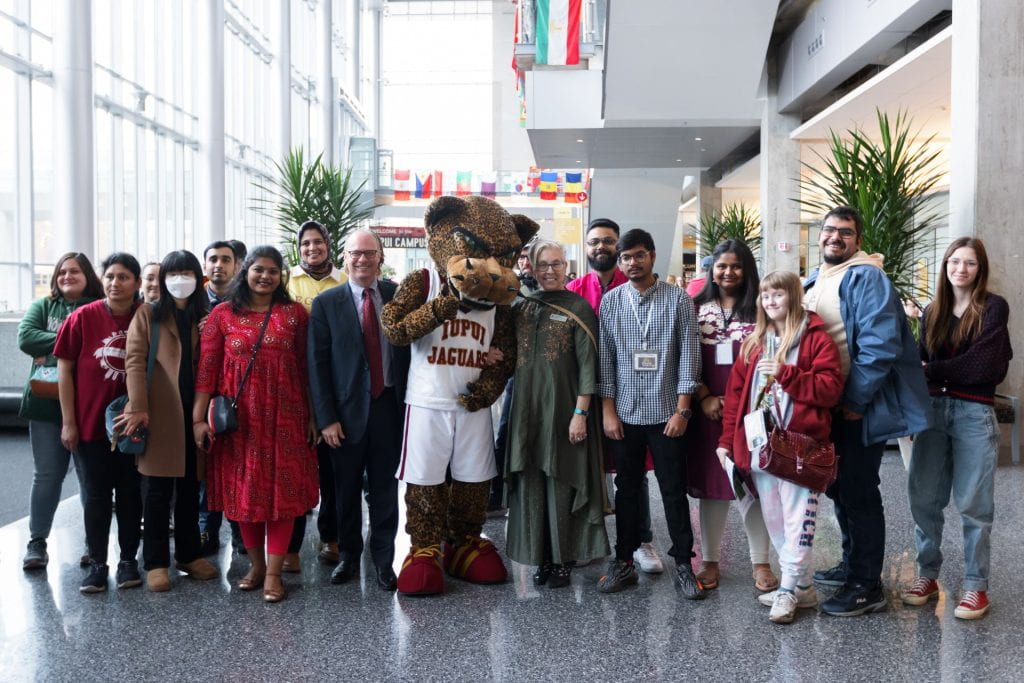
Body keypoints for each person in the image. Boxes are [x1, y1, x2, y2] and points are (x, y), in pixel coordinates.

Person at [802, 205, 929, 616]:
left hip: (856, 406)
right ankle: (852, 563)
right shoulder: (816, 278)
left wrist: (855, 402)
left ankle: (866, 585)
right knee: (839, 487)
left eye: (845, 232)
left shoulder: (867, 276)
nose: (835, 237)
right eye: (829, 230)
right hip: (827, 405)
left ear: (858, 240)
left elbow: (879, 344)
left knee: (858, 490)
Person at [192, 246, 319, 603]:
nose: (265, 276)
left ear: (281, 277)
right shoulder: (222, 315)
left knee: (282, 495)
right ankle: (257, 566)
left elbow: (307, 369)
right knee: (244, 495)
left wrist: (313, 416)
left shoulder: (295, 315)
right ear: (245, 271)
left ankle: (275, 574)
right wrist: (198, 419)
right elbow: (207, 370)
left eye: (273, 271)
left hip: (286, 417)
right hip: (239, 423)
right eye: (258, 269)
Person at [717, 271, 843, 623]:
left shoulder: (816, 338)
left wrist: (787, 373)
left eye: (778, 294)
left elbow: (830, 389)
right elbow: (735, 398)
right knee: (775, 520)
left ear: (793, 296)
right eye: (766, 295)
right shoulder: (754, 342)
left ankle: (787, 590)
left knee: (799, 519)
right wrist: (726, 442)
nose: (771, 301)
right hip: (761, 447)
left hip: (802, 448)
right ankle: (802, 587)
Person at [902, 237, 1012, 620]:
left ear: (980, 269)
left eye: (969, 263)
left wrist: (932, 371)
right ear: (945, 265)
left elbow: (984, 366)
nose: (960, 269)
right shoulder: (932, 311)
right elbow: (918, 361)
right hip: (932, 412)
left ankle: (975, 586)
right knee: (924, 498)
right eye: (954, 261)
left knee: (974, 503)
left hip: (974, 412)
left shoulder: (993, 308)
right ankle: (927, 575)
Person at [596, 228, 704, 598]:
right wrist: (608, 412)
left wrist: (682, 411)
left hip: (666, 413)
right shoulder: (611, 302)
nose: (632, 263)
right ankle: (623, 561)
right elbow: (605, 361)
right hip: (625, 413)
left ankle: (684, 565)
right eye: (626, 257)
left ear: (652, 256)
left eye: (639, 255)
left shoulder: (678, 299)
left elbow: (690, 356)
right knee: (626, 489)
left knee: (673, 489)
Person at [308, 229, 410, 591]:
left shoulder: (397, 296)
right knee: (345, 489)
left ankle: (383, 560)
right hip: (344, 414)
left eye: (369, 253)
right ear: (345, 257)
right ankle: (349, 556)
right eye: (355, 253)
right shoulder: (326, 303)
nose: (362, 259)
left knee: (385, 490)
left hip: (389, 408)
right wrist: (326, 419)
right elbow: (317, 365)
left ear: (380, 257)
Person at [505, 239, 609, 588]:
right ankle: (543, 557)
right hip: (527, 411)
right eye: (543, 264)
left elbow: (589, 366)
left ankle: (564, 559)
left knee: (563, 479)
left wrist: (581, 412)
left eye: (556, 264)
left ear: (567, 267)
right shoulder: (522, 307)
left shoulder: (579, 308)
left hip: (565, 409)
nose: (550, 271)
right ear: (531, 268)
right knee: (533, 480)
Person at [115, 250, 220, 592]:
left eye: (187, 273)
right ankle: (156, 562)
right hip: (159, 413)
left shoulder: (206, 315)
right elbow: (134, 361)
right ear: (163, 280)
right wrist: (137, 407)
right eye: (173, 274)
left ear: (198, 279)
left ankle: (188, 555)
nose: (180, 280)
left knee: (190, 488)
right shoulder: (148, 314)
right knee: (157, 492)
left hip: (196, 414)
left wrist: (210, 333)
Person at [568, 217, 662, 573]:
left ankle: (642, 540)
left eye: (608, 241)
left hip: (631, 393)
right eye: (594, 242)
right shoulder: (575, 289)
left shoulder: (636, 284)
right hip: (584, 394)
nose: (601, 247)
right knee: (586, 466)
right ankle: (589, 540)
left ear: (619, 246)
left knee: (633, 471)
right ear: (586, 247)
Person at [686, 240, 774, 592]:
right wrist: (704, 397)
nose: (728, 272)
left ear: (747, 269)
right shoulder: (694, 308)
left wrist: (752, 405)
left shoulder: (762, 309)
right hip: (707, 411)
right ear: (712, 270)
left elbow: (774, 359)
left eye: (736, 266)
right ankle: (709, 560)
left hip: (751, 412)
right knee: (711, 486)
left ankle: (761, 562)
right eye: (721, 266)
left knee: (754, 484)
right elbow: (683, 358)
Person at [53, 252, 144, 593]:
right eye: (110, 276)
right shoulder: (82, 318)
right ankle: (96, 564)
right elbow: (65, 370)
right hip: (90, 424)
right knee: (96, 497)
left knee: (131, 494)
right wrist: (69, 422)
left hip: (133, 427)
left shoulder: (146, 316)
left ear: (137, 282)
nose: (115, 283)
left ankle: (128, 561)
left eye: (123, 277)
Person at [19, 253, 103, 570]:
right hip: (44, 406)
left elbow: (98, 347)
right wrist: (69, 339)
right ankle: (36, 542)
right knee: (47, 476)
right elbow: (26, 338)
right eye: (62, 272)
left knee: (89, 478)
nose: (67, 276)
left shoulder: (98, 307)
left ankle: (93, 545)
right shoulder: (43, 306)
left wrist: (49, 350)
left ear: (88, 275)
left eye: (74, 271)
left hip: (87, 406)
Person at [286, 220, 349, 570]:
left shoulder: (344, 280)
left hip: (331, 383)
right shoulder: (287, 280)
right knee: (295, 466)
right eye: (306, 243)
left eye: (318, 242)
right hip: (294, 384)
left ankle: (331, 536)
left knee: (331, 468)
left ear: (328, 244)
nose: (312, 248)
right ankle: (289, 545)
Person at [197, 240, 243, 556]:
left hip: (237, 394)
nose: (219, 265)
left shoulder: (246, 301)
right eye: (213, 259)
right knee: (207, 468)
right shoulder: (192, 301)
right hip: (201, 391)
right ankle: (206, 530)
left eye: (226, 259)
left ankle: (241, 532)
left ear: (236, 266)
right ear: (205, 265)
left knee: (237, 466)